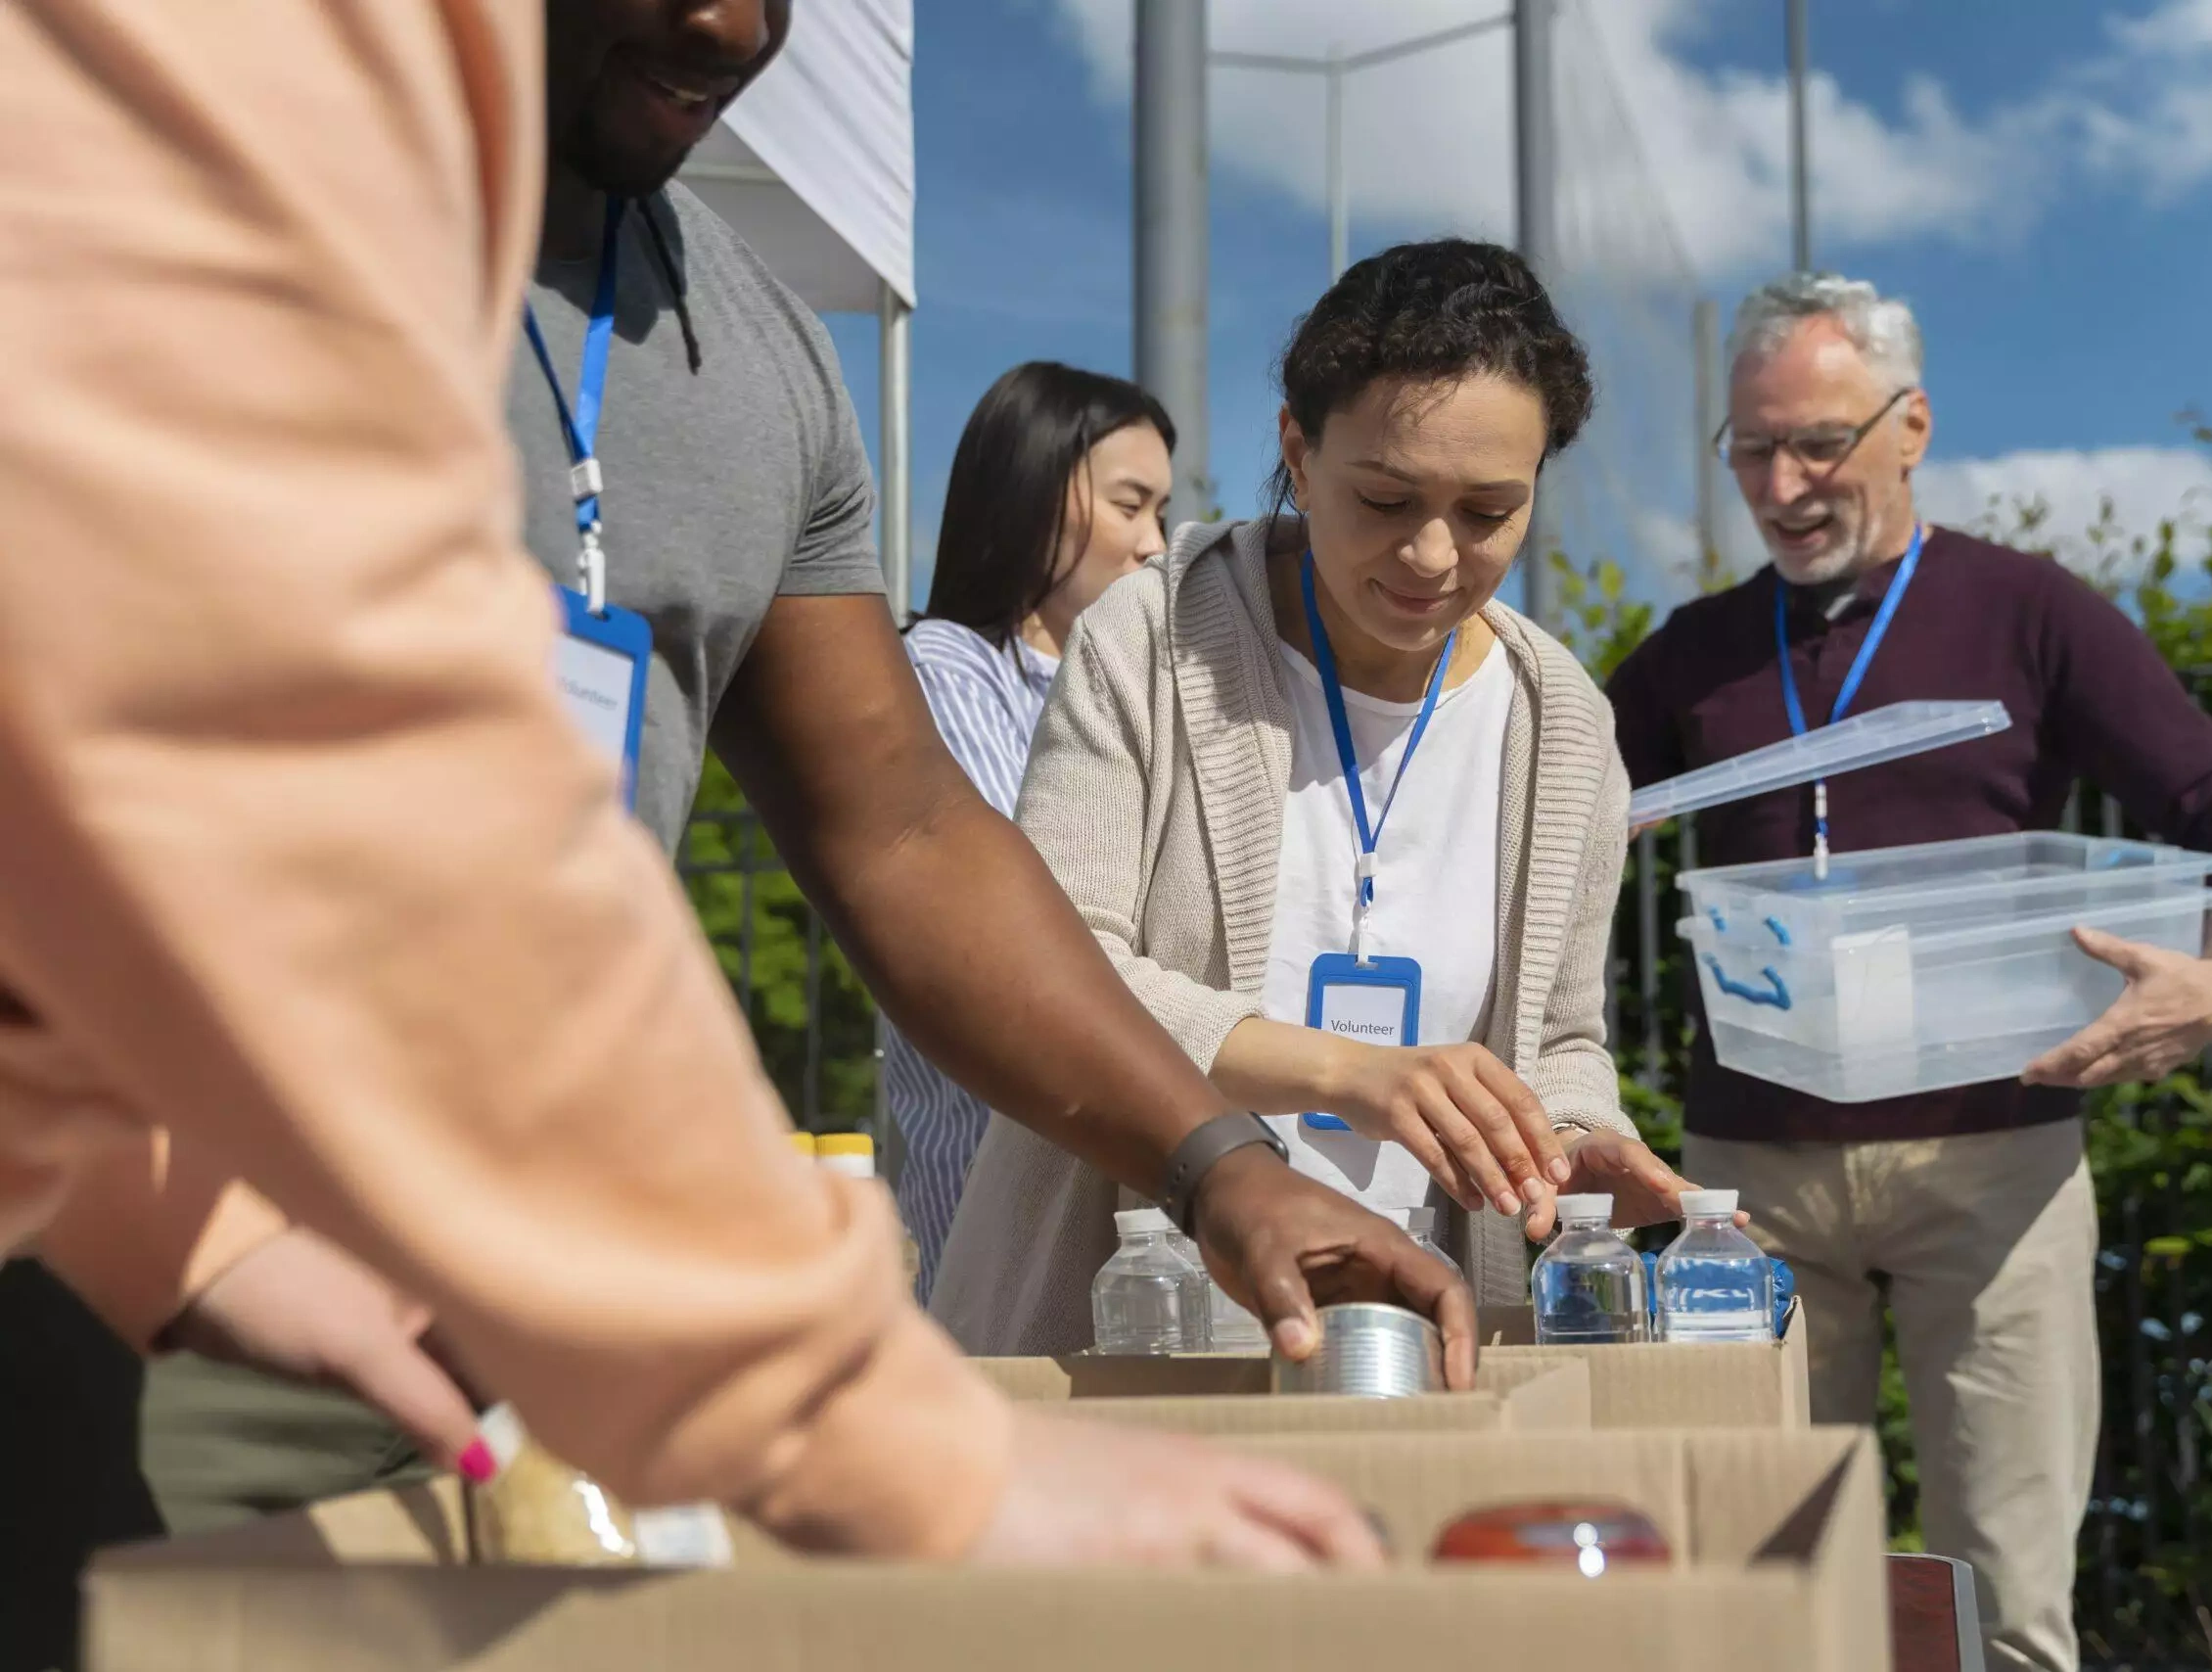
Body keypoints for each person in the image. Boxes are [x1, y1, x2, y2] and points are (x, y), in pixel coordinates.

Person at [0, 0, 1452, 1643]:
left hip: (536, 1300)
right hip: (150, 1277)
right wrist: (858, 1424)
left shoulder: (759, 355)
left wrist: (1214, 1158)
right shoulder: (226, 147)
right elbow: (336, 760)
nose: (729, 19)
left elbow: (903, 826)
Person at [1604, 273, 2212, 1672]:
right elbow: (1548, 832)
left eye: (1818, 441)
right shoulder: (1692, 652)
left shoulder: (2031, 612)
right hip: (1747, 1187)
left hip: (1995, 1172)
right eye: (1752, 449)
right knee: (1753, 1589)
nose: (1784, 483)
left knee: (2005, 1608)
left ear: (1913, 423)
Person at [936, 240, 1726, 1358]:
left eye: (1490, 509)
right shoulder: (1155, 639)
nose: (1434, 554)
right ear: (1297, 455)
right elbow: (1051, 967)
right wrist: (1345, 1070)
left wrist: (1571, 1132)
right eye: (1386, 497)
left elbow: (1558, 1031)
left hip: (1406, 1335)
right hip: (1127, 1317)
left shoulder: (1562, 725)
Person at [884, 363, 1175, 1294]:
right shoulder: (946, 668)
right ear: (1033, 490)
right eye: (1130, 505)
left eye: (1163, 513)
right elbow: (1019, 893)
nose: (1155, 545)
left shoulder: (1134, 687)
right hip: (996, 1168)